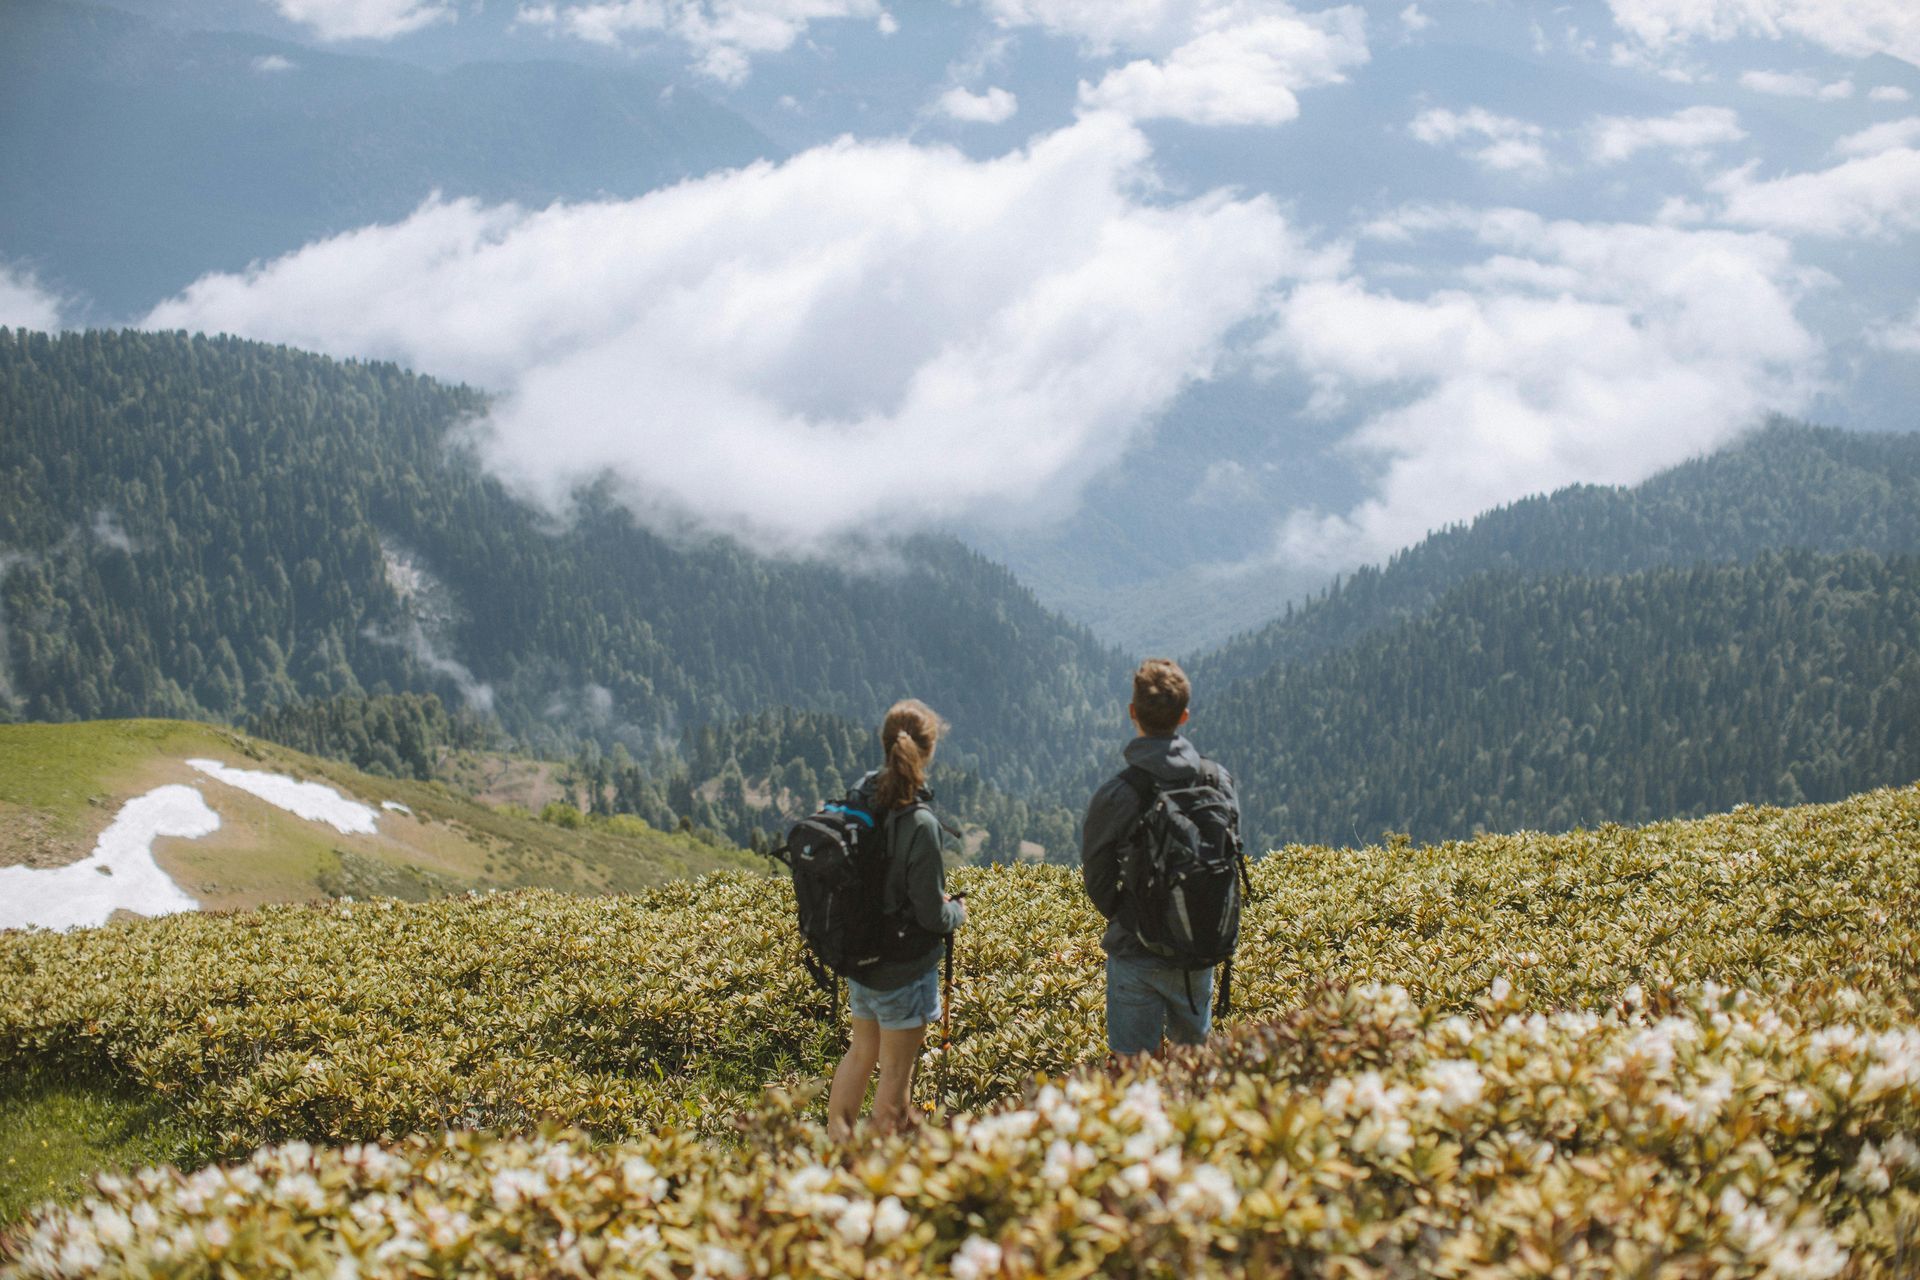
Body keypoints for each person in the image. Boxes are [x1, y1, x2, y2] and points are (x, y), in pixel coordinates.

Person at [1081, 657, 1240, 1058]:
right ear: (1184, 716)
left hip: (1136, 953)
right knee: (1194, 1071)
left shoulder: (1118, 793)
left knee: (1134, 1078)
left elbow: (1097, 881)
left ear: (1132, 712)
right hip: (1198, 947)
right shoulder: (1217, 780)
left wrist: (1135, 916)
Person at [826, 698, 967, 1141]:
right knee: (895, 1074)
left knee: (861, 1052)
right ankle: (878, 1176)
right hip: (903, 970)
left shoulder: (862, 793)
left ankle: (837, 1150)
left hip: (861, 958)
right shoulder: (920, 822)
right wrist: (957, 912)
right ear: (929, 749)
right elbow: (931, 912)